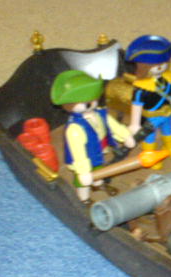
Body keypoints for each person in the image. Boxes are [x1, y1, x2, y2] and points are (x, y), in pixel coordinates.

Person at [51, 70, 135, 203]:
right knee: (82, 181)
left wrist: (125, 135)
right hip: (83, 157)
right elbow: (78, 152)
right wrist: (83, 171)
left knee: (98, 168)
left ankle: (98, 184)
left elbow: (112, 124)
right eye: (87, 103)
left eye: (94, 100)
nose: (93, 104)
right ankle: (84, 198)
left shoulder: (99, 114)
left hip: (98, 149)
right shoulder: (75, 128)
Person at [126, 35, 171, 164]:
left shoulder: (170, 78)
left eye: (164, 64)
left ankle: (170, 146)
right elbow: (136, 105)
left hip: (167, 113)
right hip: (151, 118)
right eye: (157, 65)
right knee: (149, 137)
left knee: (168, 131)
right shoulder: (141, 87)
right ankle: (150, 154)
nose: (161, 67)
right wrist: (135, 124)